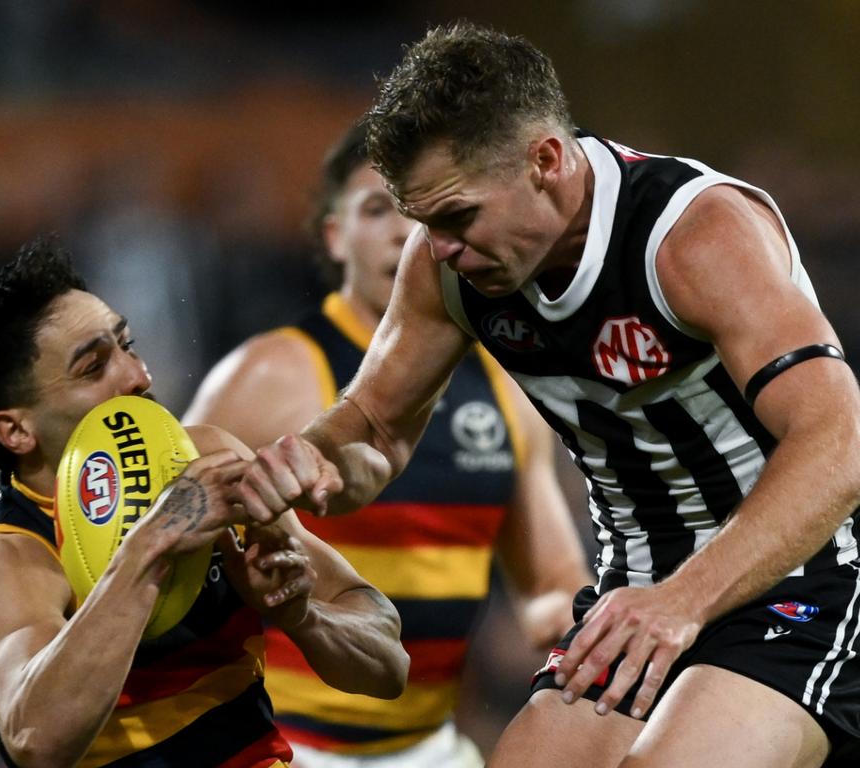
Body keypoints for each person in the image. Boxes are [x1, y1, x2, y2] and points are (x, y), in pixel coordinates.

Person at [232, 21, 860, 768]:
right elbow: (374, 424)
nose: (438, 250)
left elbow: (840, 442)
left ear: (547, 161)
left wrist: (685, 600)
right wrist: (317, 461)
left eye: (458, 217)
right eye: (424, 223)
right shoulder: (447, 268)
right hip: (638, 594)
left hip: (804, 583)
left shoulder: (693, 235)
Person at [183, 121, 590, 767]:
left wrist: (611, 650)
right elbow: (172, 552)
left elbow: (549, 586)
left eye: (420, 211)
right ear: (334, 236)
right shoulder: (268, 375)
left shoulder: (506, 386)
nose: (405, 233)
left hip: (429, 748)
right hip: (281, 744)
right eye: (378, 209)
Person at [0, 237, 409, 768]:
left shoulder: (210, 460)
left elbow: (388, 665)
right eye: (93, 368)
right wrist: (152, 542)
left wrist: (302, 616)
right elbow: (38, 739)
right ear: (16, 429)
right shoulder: (1, 562)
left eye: (127, 346)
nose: (139, 376)